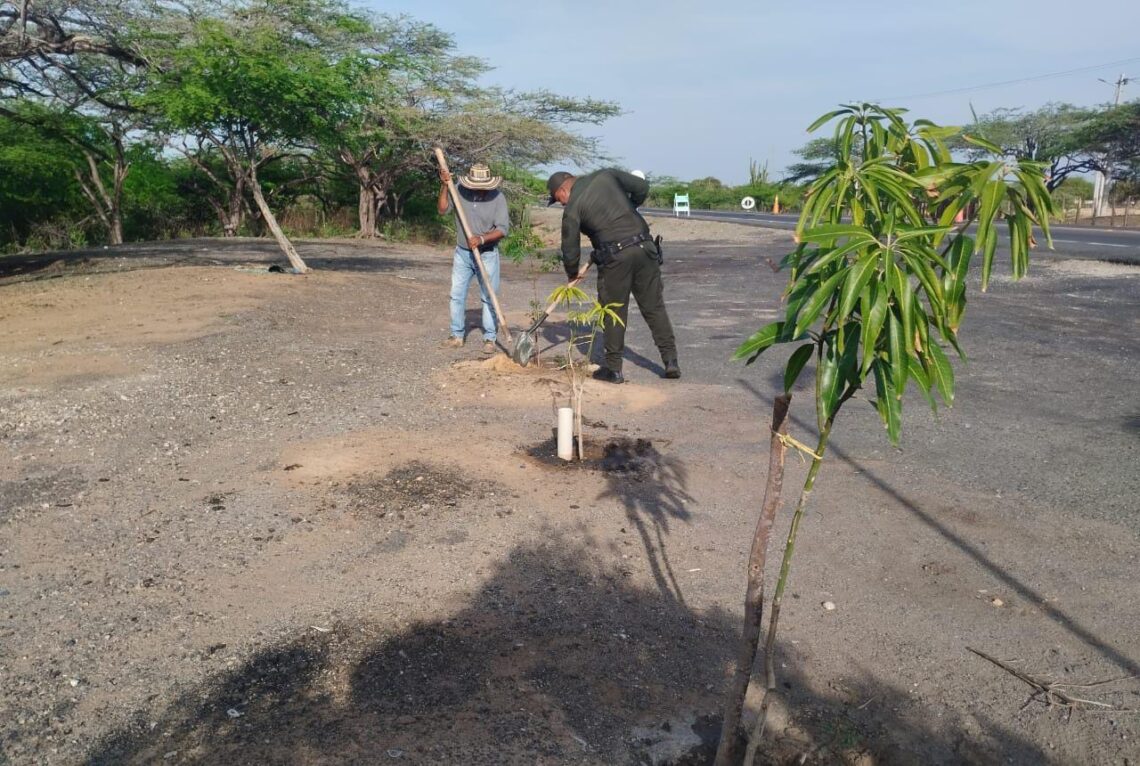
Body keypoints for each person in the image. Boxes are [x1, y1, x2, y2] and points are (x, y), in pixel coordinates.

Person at [547, 169, 679, 383]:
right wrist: (631, 207)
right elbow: (642, 187)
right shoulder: (606, 175)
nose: (560, 203)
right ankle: (671, 361)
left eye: (557, 198)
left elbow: (569, 248)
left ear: (563, 189)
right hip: (645, 247)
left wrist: (572, 273)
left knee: (614, 310)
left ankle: (613, 368)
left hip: (616, 257)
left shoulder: (572, 209)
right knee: (654, 307)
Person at [438, 163, 510, 354]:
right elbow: (442, 209)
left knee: (488, 297)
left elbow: (502, 229)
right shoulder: (459, 190)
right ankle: (456, 335)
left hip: (487, 253)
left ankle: (489, 339)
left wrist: (481, 239)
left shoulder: (498, 198)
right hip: (462, 253)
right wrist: (445, 185)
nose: (479, 189)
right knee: (456, 294)